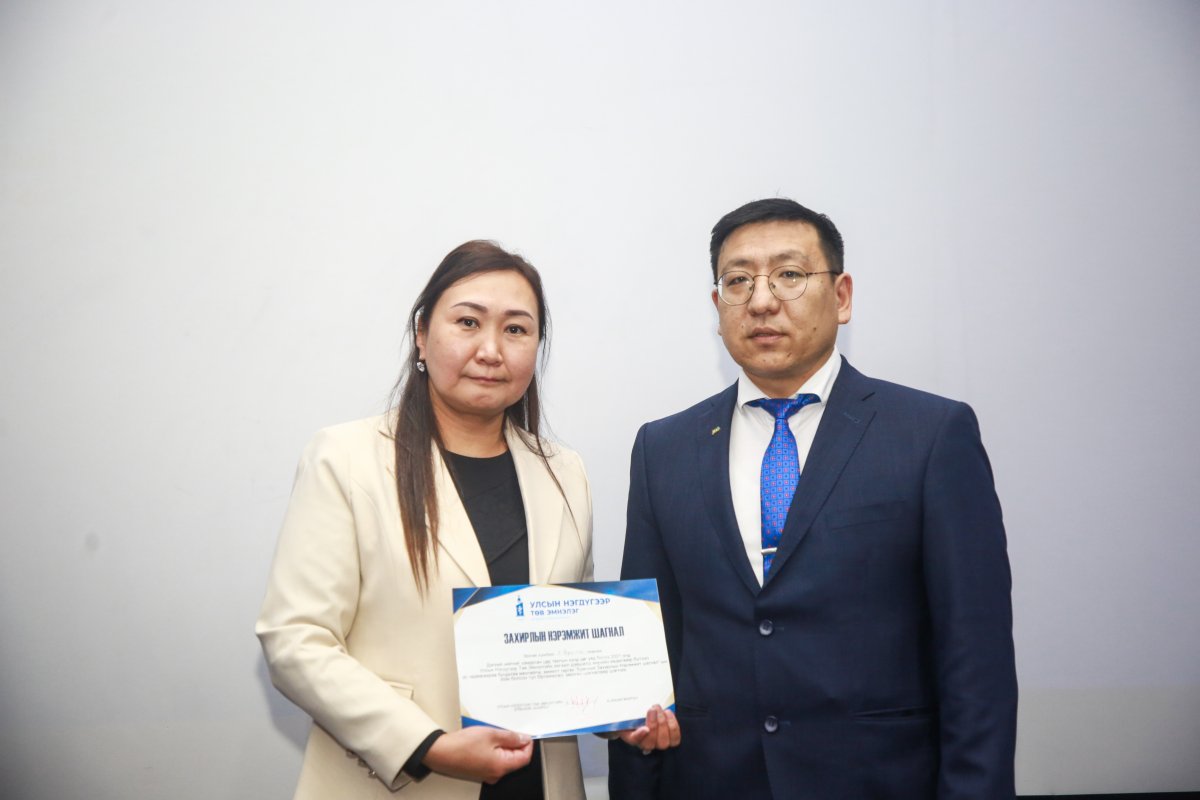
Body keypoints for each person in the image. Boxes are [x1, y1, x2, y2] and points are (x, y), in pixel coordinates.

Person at [608, 199, 1018, 799]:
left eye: (789, 275)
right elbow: (648, 657)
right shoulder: (662, 448)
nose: (762, 300)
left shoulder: (930, 435)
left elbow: (975, 660)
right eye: (738, 281)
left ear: (842, 296)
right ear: (717, 306)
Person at [257, 240, 673, 800]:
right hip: (407, 783)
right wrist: (426, 744)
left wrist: (619, 712)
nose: (491, 350)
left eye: (516, 329)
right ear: (421, 335)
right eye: (468, 322)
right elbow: (296, 641)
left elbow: (567, 643)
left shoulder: (564, 471)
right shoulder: (345, 458)